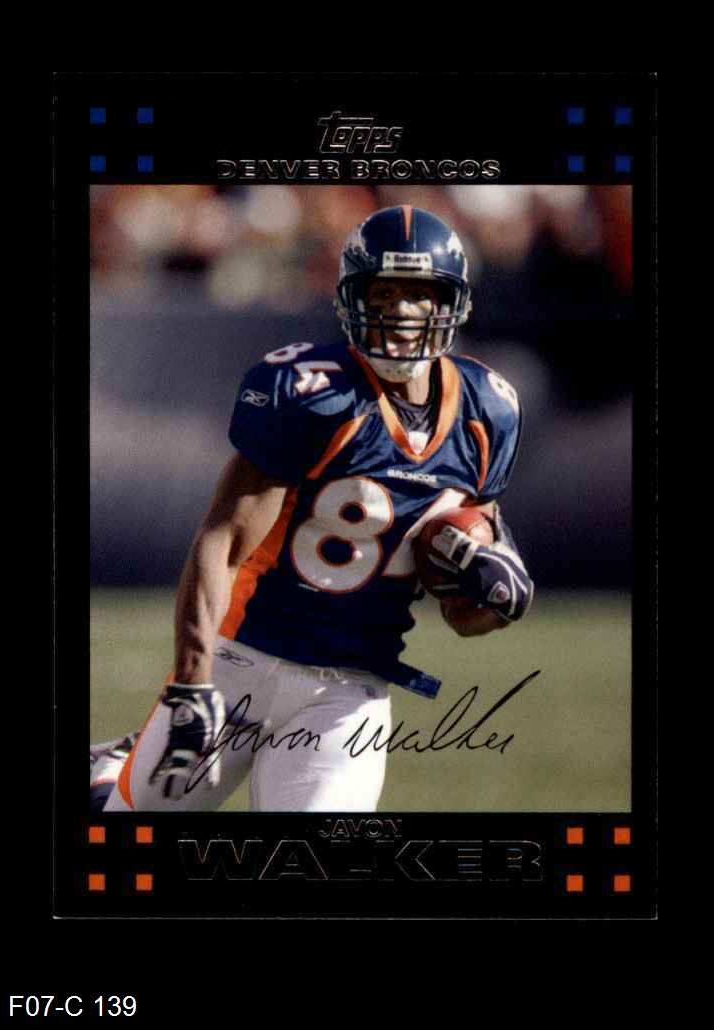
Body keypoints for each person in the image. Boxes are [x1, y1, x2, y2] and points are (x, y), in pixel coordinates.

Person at [91, 205, 534, 813]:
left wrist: (493, 596)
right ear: (353, 298)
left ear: (450, 303)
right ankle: (104, 781)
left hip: (348, 693)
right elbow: (222, 540)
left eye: (419, 294)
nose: (402, 311)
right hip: (239, 661)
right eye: (385, 293)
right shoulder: (311, 391)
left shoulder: (489, 411)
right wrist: (192, 681)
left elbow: (465, 617)